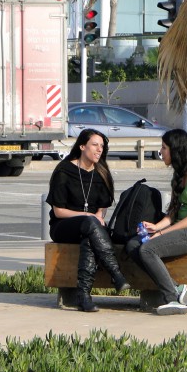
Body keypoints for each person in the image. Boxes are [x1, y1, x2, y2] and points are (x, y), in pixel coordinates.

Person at [125, 129, 187, 316]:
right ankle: (176, 289)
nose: (161, 153)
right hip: (184, 226)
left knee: (148, 248)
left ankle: (171, 298)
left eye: (164, 148)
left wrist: (162, 234)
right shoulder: (179, 174)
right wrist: (157, 226)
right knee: (133, 245)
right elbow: (173, 212)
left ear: (176, 150)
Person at [46, 129, 130, 312]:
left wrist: (96, 217)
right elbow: (58, 211)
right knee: (91, 225)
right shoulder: (64, 170)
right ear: (82, 146)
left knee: (90, 240)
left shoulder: (101, 172)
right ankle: (115, 273)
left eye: (102, 146)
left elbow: (101, 210)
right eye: (95, 145)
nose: (99, 149)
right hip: (64, 226)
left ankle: (83, 297)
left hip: (90, 228)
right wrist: (88, 217)